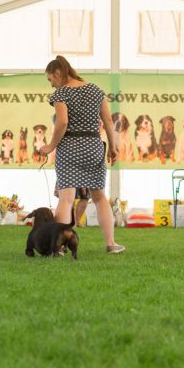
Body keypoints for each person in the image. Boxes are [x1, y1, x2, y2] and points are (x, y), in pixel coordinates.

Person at [39, 55, 125, 253]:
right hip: (94, 146)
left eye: (50, 79)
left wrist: (50, 146)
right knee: (100, 197)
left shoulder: (61, 93)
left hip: (70, 147)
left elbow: (62, 122)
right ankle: (111, 243)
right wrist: (113, 147)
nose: (51, 85)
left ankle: (58, 248)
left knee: (66, 198)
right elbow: (108, 122)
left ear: (58, 73)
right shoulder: (96, 90)